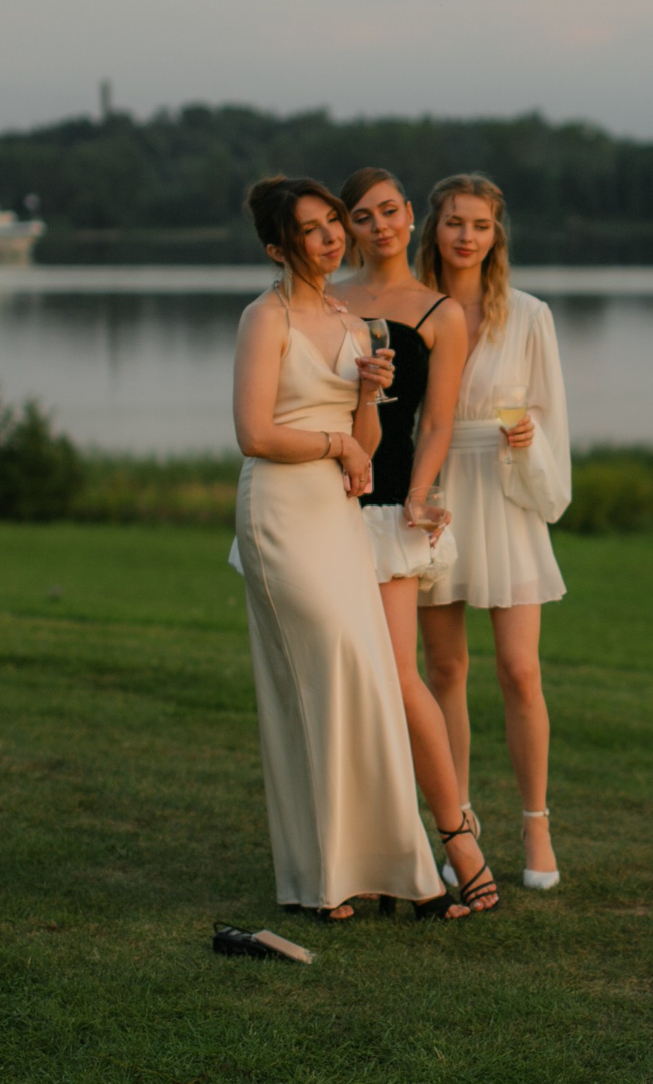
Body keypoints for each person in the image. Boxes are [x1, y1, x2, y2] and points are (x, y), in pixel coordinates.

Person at [230, 175, 460, 922]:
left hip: (337, 513)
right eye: (312, 229)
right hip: (280, 511)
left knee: (362, 678)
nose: (332, 237)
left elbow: (369, 440)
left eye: (334, 222)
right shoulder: (264, 320)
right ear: (278, 249)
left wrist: (366, 397)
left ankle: (377, 868)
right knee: (322, 673)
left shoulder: (352, 322)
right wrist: (337, 442)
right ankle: (320, 875)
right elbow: (254, 434)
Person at [333, 166, 499, 913]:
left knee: (402, 679)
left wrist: (420, 493)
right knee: (342, 684)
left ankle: (459, 838)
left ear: (410, 215)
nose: (380, 226)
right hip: (320, 503)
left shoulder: (440, 313)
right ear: (348, 228)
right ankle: (367, 854)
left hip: (387, 508)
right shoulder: (326, 299)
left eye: (389, 210)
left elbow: (435, 421)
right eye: (362, 216)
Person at [416, 173, 569, 892]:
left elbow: (551, 415)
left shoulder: (530, 315)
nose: (466, 236)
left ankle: (536, 823)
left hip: (506, 495)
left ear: (495, 234)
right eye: (455, 222)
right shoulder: (413, 309)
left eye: (480, 225)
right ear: (434, 229)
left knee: (520, 669)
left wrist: (531, 441)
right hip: (437, 491)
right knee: (445, 670)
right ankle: (460, 824)